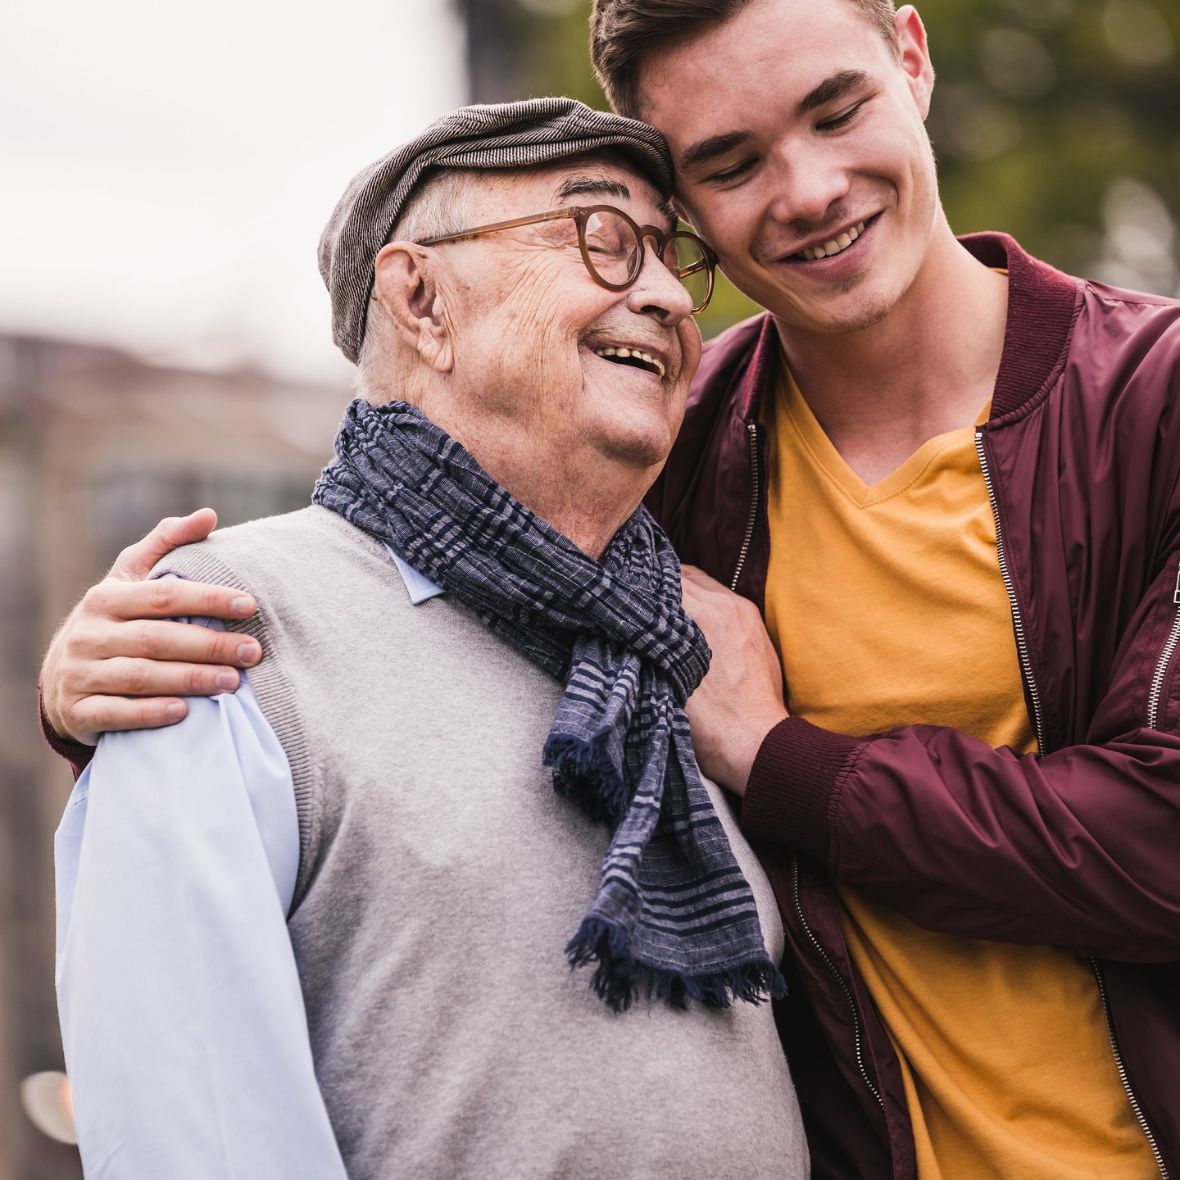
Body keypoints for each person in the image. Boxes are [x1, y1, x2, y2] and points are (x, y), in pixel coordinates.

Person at [39, 2, 1180, 1177]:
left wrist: (775, 753)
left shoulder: (1148, 403)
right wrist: (102, 696)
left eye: (835, 111)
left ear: (913, 56)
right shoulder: (659, 475)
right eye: (726, 167)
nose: (803, 189)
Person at [52, 97, 810, 1180]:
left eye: (667, 256)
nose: (658, 293)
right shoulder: (220, 629)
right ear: (420, 298)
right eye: (601, 237)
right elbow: (195, 1131)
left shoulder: (683, 652)